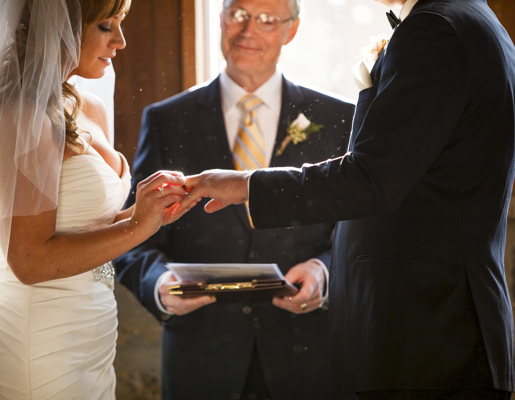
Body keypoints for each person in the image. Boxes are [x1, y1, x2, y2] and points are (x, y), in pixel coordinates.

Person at [179, 0, 515, 399]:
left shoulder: (436, 30)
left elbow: (371, 180)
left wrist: (247, 186)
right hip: (433, 331)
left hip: (424, 337)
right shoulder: (469, 20)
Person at [0, 0, 190, 398]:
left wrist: (150, 209)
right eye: (106, 26)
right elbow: (28, 260)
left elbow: (84, 226)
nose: (121, 41)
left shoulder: (87, 105)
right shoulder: (17, 118)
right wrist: (137, 226)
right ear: (56, 27)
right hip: (36, 342)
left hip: (88, 334)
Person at [114, 0, 356, 399]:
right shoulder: (168, 119)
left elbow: (357, 230)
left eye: (266, 20)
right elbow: (133, 235)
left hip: (308, 360)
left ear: (292, 30)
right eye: (239, 14)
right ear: (221, 19)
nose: (248, 31)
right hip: (200, 359)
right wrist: (158, 284)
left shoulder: (336, 118)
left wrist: (323, 272)